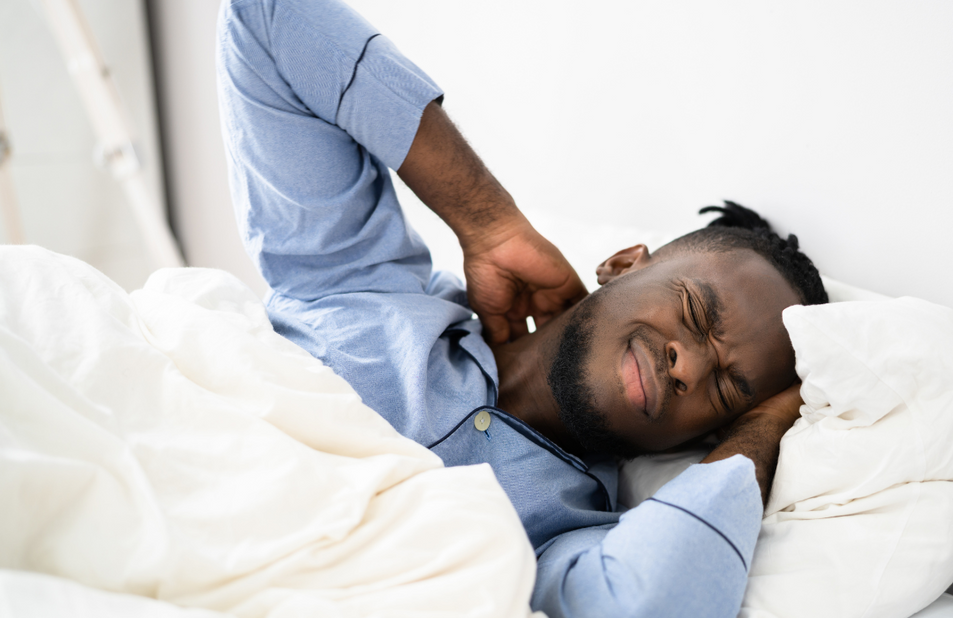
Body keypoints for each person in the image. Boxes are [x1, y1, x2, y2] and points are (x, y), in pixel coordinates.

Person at [215, 0, 827, 616]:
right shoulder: (359, 282)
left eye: (723, 387)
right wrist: (487, 221)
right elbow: (266, 20)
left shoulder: (563, 538)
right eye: (693, 310)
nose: (689, 367)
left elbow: (651, 604)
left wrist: (765, 423)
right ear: (622, 263)